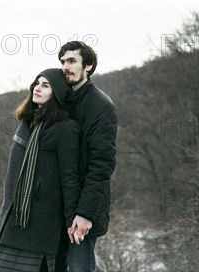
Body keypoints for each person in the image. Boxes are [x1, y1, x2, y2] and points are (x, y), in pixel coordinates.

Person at [0, 68, 80, 272]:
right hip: (11, 222)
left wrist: (72, 220)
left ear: (57, 92)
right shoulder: (27, 123)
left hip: (40, 227)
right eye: (36, 84)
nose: (37, 88)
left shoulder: (65, 128)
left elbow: (70, 178)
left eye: (45, 85)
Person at [55, 41, 118, 272]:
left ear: (88, 66)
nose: (65, 66)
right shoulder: (59, 102)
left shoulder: (100, 106)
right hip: (57, 208)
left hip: (83, 211)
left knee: (80, 268)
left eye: (72, 61)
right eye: (62, 61)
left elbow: (102, 165)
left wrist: (84, 213)